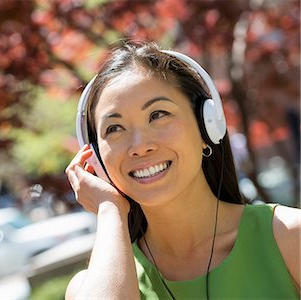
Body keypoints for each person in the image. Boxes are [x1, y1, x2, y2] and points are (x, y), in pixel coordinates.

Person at [65, 41, 300, 299]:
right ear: (96, 157)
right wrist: (110, 209)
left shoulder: (290, 238)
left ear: (207, 125)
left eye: (158, 115)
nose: (140, 146)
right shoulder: (89, 286)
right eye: (114, 128)